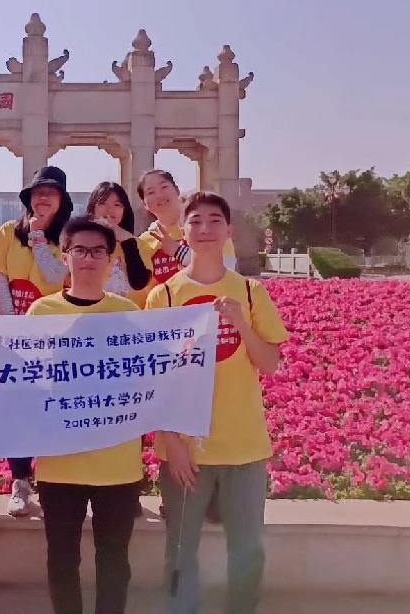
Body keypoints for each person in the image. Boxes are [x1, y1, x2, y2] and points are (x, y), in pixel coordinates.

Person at [145, 192, 289, 614]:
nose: (204, 229)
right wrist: (171, 442)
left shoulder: (250, 291)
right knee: (180, 552)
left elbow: (271, 363)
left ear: (228, 230)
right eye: (195, 221)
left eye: (214, 221)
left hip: (244, 448)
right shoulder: (164, 297)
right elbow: (154, 376)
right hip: (185, 452)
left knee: (247, 550)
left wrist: (241, 323)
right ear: (184, 230)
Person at [27, 215, 143, 614]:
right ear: (65, 255)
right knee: (62, 560)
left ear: (111, 260)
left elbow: (147, 380)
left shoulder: (128, 313)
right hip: (60, 463)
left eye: (98, 251)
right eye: (80, 250)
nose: (89, 258)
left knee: (115, 560)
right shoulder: (41, 312)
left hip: (118, 463)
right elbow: (26, 382)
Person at [0, 165, 74, 516]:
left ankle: (54, 482)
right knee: (17, 410)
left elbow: (56, 276)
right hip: (14, 335)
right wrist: (13, 325)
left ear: (62, 201)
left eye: (51, 194)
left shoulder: (67, 238)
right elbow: (0, 278)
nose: (43, 199)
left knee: (51, 408)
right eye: (38, 193)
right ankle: (20, 481)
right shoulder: (9, 232)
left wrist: (40, 238)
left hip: (52, 335)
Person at [131, 170, 236, 308]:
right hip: (166, 318)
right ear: (145, 204)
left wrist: (177, 251)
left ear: (177, 190)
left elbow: (227, 270)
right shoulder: (144, 241)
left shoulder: (208, 228)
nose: (159, 195)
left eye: (164, 187)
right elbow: (139, 294)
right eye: (151, 192)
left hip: (212, 312)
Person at [85, 181, 150, 302]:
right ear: (92, 208)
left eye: (117, 204)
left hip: (131, 311)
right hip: (93, 311)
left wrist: (128, 243)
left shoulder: (140, 244)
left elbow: (139, 283)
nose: (110, 209)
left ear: (125, 211)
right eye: (102, 203)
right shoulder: (80, 243)